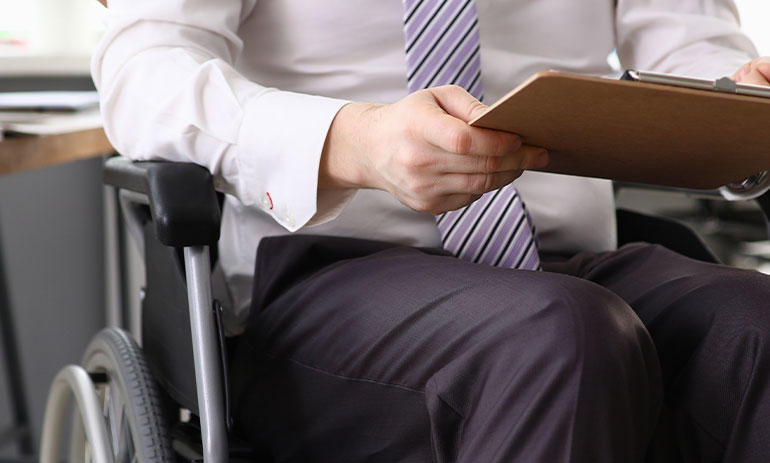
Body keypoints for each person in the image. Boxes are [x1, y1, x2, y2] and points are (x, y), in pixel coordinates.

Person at [93, 0, 770, 461]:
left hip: (568, 256)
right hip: (329, 271)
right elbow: (146, 72)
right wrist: (351, 142)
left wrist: (740, 93)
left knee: (754, 324)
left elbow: (689, 47)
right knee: (562, 336)